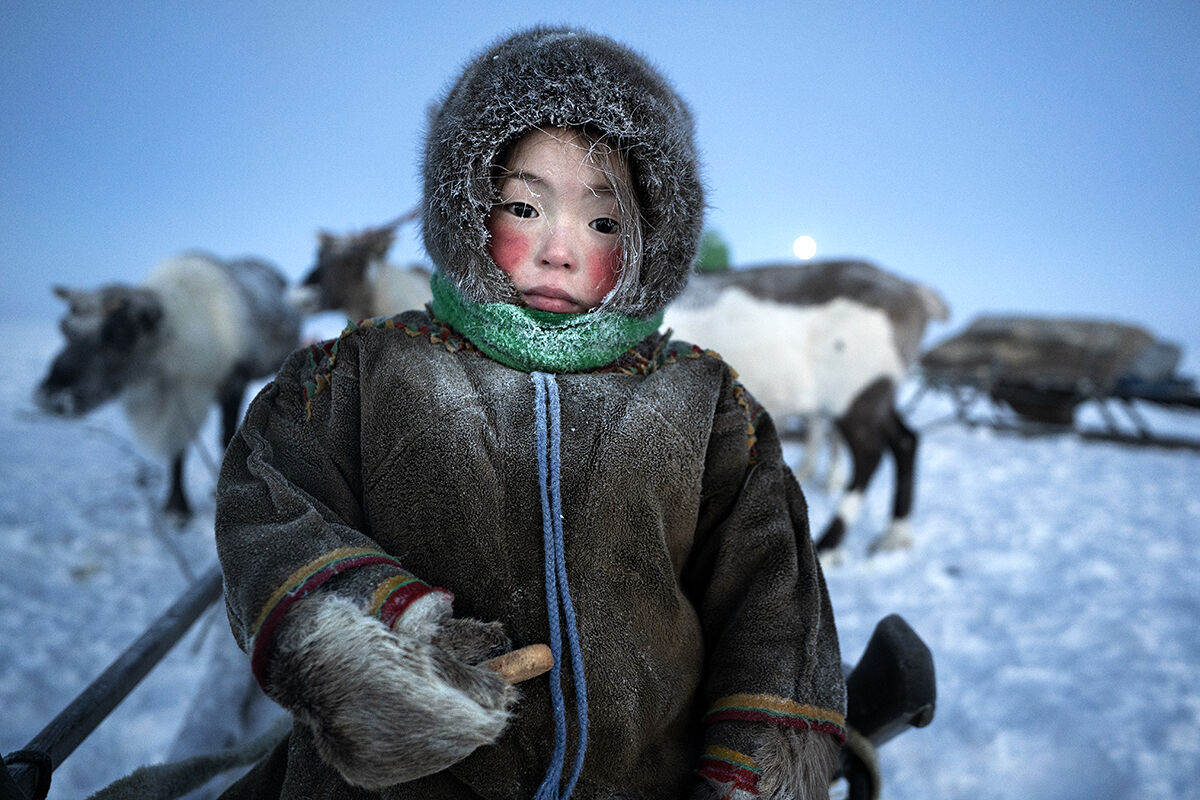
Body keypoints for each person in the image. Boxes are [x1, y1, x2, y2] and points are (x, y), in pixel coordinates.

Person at [215, 26, 846, 800]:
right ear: (467, 208)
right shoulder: (363, 376)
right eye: (523, 206)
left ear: (655, 234)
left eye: (604, 222)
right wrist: (377, 640)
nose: (560, 249)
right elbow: (271, 503)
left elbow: (773, 600)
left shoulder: (706, 406)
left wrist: (751, 769)